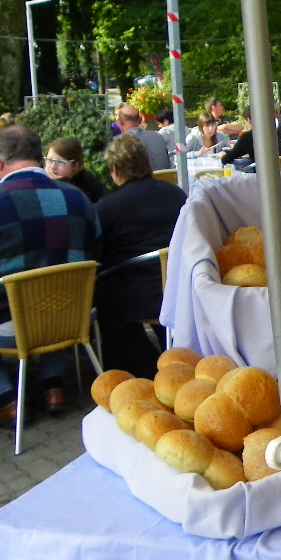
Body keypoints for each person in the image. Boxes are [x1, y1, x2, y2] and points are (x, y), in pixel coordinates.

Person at [0, 126, 100, 426]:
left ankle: (7, 399)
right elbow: (95, 250)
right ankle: (53, 388)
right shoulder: (78, 199)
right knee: (51, 294)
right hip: (72, 315)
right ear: (39, 158)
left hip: (7, 324)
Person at [94, 133, 188, 378]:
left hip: (134, 298)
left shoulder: (107, 207)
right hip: (179, 290)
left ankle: (140, 370)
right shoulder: (177, 195)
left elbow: (95, 255)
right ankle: (170, 361)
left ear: (115, 170)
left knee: (104, 293)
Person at [43, 137, 107, 203]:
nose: (53, 166)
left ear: (74, 166)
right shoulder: (40, 182)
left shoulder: (85, 180)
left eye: (60, 162)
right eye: (49, 160)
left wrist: (62, 182)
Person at [116, 104, 171, 171]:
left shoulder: (119, 142)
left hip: (142, 177)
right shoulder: (158, 137)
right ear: (140, 120)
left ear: (120, 122)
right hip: (165, 176)